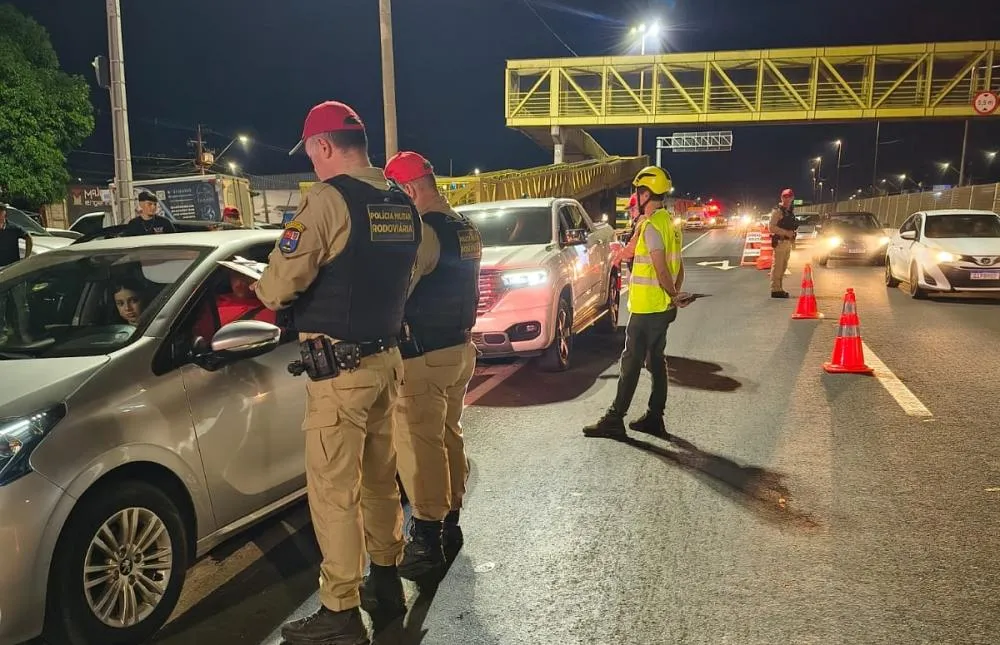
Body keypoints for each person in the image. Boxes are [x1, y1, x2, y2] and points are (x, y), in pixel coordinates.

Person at [251, 100, 421, 644]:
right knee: (379, 479)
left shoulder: (328, 202)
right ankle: (387, 581)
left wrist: (256, 289)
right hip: (386, 362)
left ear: (323, 146)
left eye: (311, 156)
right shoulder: (401, 201)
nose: (312, 166)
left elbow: (278, 287)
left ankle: (340, 610)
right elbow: (405, 276)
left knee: (333, 491)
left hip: (341, 374)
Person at [382, 151, 481, 583]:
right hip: (459, 350)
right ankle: (451, 523)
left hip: (423, 356)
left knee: (419, 448)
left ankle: (425, 541)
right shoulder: (465, 227)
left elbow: (398, 292)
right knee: (448, 437)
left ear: (407, 189)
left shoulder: (423, 233)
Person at [583, 166, 690, 440]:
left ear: (645, 194)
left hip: (647, 309)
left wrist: (671, 294)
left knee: (630, 363)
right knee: (657, 361)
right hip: (662, 308)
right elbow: (680, 266)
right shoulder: (670, 225)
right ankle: (655, 417)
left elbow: (661, 267)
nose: (635, 198)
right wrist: (675, 296)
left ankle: (615, 418)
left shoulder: (652, 226)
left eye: (637, 193)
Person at [768, 188, 799, 298]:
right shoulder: (778, 211)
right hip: (780, 242)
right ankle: (775, 289)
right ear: (781, 198)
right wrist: (786, 232)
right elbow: (771, 227)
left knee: (783, 266)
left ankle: (779, 288)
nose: (787, 199)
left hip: (787, 242)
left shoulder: (790, 211)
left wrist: (792, 235)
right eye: (784, 197)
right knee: (778, 266)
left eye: (789, 197)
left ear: (792, 198)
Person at [0, 203, 32, 268]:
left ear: (5, 213)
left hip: (11, 267)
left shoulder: (13, 228)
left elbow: (28, 237)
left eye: (1, 211)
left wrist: (27, 258)